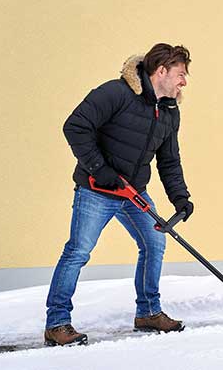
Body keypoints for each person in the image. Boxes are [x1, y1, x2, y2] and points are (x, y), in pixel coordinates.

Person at [44, 44, 195, 346]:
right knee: (78, 251)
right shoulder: (116, 93)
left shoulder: (168, 111)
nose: (184, 82)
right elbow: (75, 126)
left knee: (154, 243)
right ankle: (57, 323)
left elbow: (169, 160)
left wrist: (180, 197)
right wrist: (100, 169)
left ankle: (148, 312)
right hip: (96, 190)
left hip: (133, 192)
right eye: (180, 74)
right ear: (161, 70)